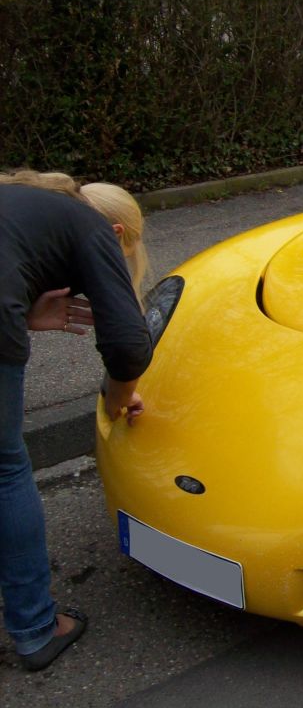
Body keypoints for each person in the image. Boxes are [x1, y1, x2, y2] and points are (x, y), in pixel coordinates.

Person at [0, 169, 151, 671]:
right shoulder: (90, 226)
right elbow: (128, 344)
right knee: (6, 469)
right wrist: (117, 395)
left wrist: (22, 312)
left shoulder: (20, 201)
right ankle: (36, 628)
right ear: (116, 234)